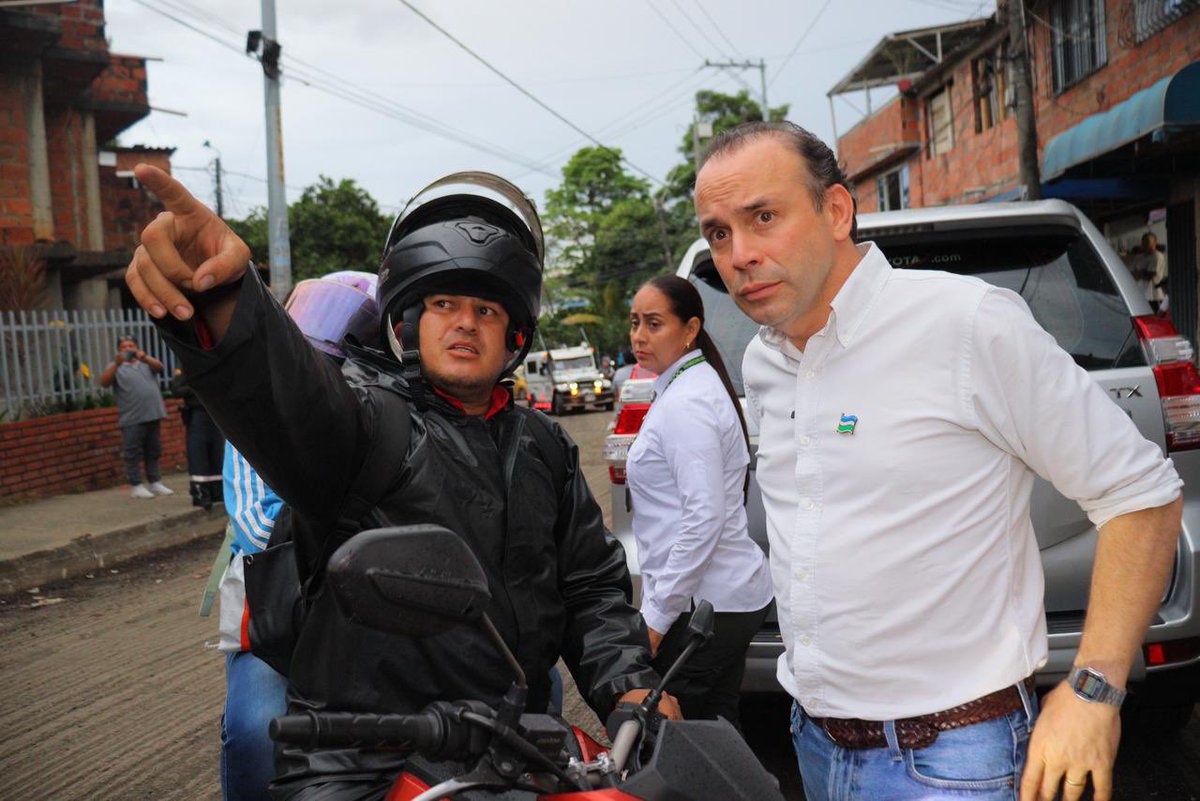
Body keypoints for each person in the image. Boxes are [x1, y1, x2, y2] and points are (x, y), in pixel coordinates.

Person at [124, 166, 676, 800]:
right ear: (408, 322)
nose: (464, 322)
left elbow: (589, 588)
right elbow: (287, 396)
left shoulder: (544, 446)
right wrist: (227, 303)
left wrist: (631, 685)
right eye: (444, 304)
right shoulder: (363, 422)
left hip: (511, 745)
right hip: (363, 757)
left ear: (514, 337)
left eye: (486, 309)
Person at [693, 121, 1182, 801]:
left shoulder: (967, 323)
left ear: (835, 210)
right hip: (813, 740)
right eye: (718, 232)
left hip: (952, 758)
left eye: (763, 217)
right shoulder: (764, 362)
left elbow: (1142, 494)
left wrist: (1094, 689)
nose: (739, 253)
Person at [216, 270, 380, 801]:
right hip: (282, 614)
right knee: (256, 732)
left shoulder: (393, 412)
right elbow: (261, 531)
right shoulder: (253, 415)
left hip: (387, 614)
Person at [626, 274, 773, 726]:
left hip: (703, 609)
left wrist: (655, 617)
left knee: (675, 743)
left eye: (654, 323)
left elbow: (704, 519)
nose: (638, 336)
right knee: (714, 734)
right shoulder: (688, 386)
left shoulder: (687, 402)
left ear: (690, 329)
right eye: (634, 323)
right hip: (721, 601)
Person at [99, 335, 173, 499]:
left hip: (153, 414)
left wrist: (144, 357)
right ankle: (136, 485)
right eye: (124, 347)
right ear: (119, 350)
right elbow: (104, 382)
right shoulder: (115, 367)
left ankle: (155, 482)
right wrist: (118, 363)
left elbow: (160, 367)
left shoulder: (145, 364)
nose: (128, 349)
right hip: (132, 417)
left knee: (153, 450)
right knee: (132, 452)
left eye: (131, 345)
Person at [171, 366, 225, 509]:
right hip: (197, 414)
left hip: (215, 414)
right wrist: (198, 384)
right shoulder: (185, 369)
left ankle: (217, 493)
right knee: (198, 453)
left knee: (216, 453)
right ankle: (201, 495)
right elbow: (176, 390)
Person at [1132, 232, 1168, 313]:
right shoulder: (1139, 257)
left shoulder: (1157, 256)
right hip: (1141, 296)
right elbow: (1132, 274)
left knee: (1155, 319)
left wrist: (1140, 273)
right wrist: (1142, 273)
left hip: (1154, 296)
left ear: (1154, 242)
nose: (1144, 244)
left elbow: (1150, 275)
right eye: (1143, 241)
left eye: (1147, 241)